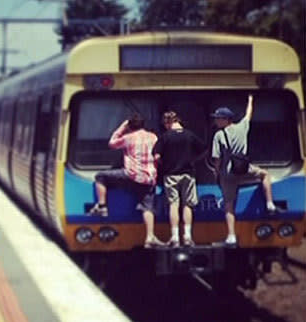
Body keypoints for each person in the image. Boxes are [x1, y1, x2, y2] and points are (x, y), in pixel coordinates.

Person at [88, 113, 165, 248]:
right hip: (149, 178)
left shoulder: (128, 138)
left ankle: (102, 206)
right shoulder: (153, 137)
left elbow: (112, 143)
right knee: (148, 207)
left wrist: (122, 127)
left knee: (100, 176)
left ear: (130, 126)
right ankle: (150, 237)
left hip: (131, 175)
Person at [211, 95, 278, 246]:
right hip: (244, 169)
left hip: (228, 174)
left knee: (229, 205)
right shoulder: (242, 127)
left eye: (218, 118)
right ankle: (270, 203)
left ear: (225, 120)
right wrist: (250, 100)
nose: (215, 120)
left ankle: (231, 236)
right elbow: (248, 114)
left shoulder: (218, 135)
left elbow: (217, 159)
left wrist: (217, 174)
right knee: (264, 174)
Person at [153, 111, 206, 247]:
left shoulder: (165, 137)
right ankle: (187, 236)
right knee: (188, 204)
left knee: (173, 205)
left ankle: (175, 237)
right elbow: (204, 150)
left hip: (171, 175)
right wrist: (194, 161)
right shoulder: (190, 135)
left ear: (167, 123)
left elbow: (156, 157)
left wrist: (164, 164)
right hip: (188, 173)